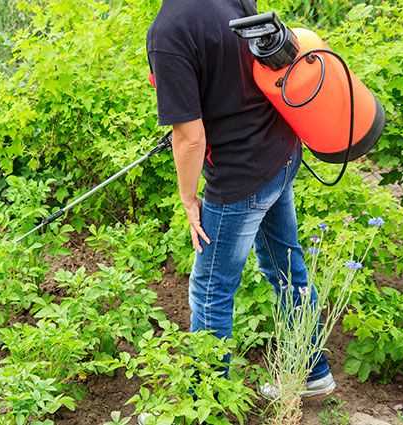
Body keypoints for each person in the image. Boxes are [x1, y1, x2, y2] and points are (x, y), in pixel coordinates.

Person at [140, 1, 335, 422]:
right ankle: (312, 370)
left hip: (240, 178)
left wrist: (189, 198)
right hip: (280, 152)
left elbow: (189, 137)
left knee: (211, 290)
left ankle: (204, 406)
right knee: (287, 267)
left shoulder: (168, 33)